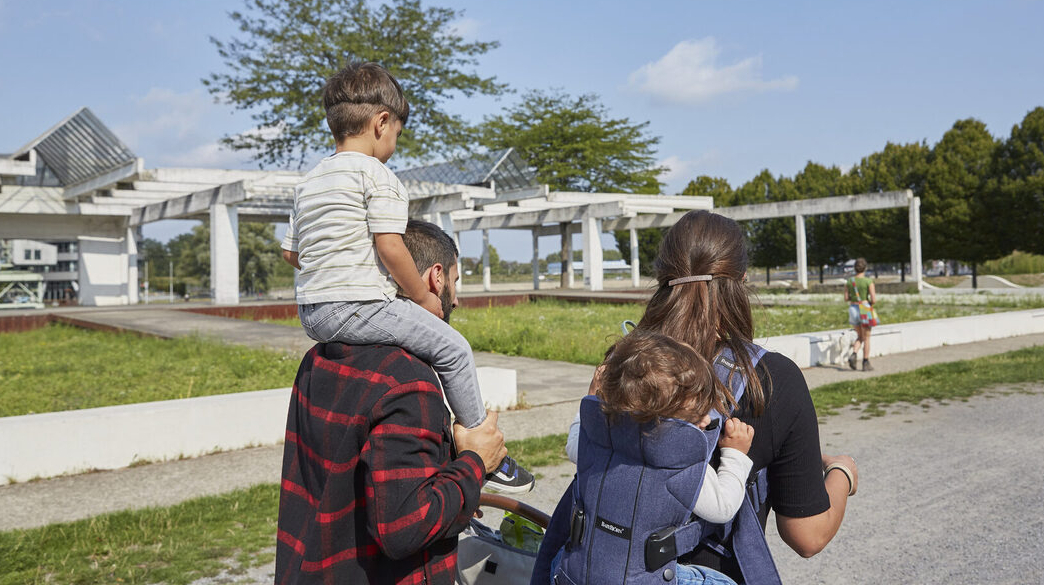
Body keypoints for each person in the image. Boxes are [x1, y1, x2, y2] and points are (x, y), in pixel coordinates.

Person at [534, 210, 858, 585]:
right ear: (741, 282)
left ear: (661, 279)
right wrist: (842, 471)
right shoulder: (770, 381)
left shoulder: (626, 363)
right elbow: (807, 536)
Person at [279, 61, 533, 494]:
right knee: (452, 348)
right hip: (355, 304)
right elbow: (390, 246)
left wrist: (331, 271)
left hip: (312, 313)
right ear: (381, 123)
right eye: (396, 131)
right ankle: (483, 444)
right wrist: (421, 299)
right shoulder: (379, 176)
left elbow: (291, 252)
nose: (394, 141)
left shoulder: (310, 181)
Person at [276, 219, 508, 585]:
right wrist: (474, 465)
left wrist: (451, 486)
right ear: (435, 277)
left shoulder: (320, 357)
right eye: (455, 281)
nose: (457, 298)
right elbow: (403, 527)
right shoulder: (409, 382)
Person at [556, 332, 757, 585]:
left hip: (577, 576)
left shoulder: (593, 440)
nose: (706, 421)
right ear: (664, 423)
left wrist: (593, 400)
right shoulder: (679, 459)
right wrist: (735, 453)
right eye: (694, 418)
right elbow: (722, 507)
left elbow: (574, 440)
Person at [845, 257, 877, 371]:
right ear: (865, 268)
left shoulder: (850, 281)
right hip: (864, 308)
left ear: (855, 268)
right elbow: (873, 299)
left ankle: (854, 354)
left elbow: (846, 298)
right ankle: (865, 362)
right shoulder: (868, 281)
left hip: (853, 308)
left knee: (860, 336)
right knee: (867, 338)